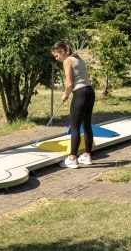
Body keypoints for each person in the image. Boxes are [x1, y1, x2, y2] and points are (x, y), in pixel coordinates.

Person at [51, 41, 95, 169]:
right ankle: (87, 155)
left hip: (80, 93)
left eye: (56, 55)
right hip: (89, 91)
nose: (57, 58)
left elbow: (69, 84)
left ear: (62, 51)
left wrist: (66, 94)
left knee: (75, 127)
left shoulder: (67, 61)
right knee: (86, 125)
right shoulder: (78, 59)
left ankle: (72, 158)